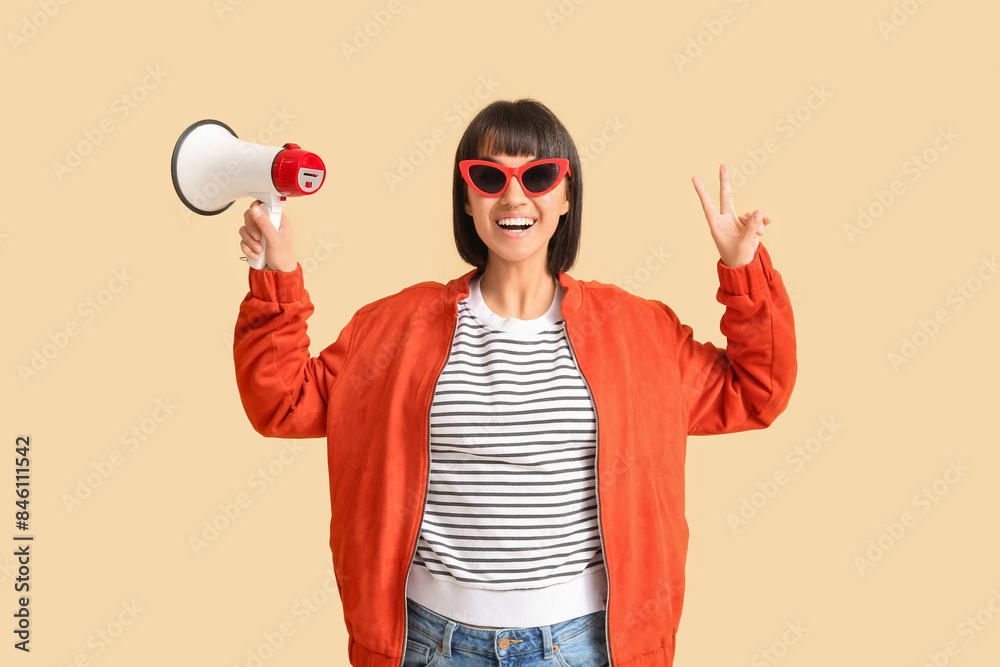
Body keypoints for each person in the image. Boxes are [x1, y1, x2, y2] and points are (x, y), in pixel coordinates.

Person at [233, 99, 796, 667]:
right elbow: (281, 402)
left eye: (539, 175)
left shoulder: (637, 331)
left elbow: (757, 390)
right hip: (429, 644)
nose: (514, 196)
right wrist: (276, 278)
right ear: (468, 197)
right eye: (489, 176)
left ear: (567, 195)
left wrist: (744, 269)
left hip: (587, 645)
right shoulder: (393, 328)